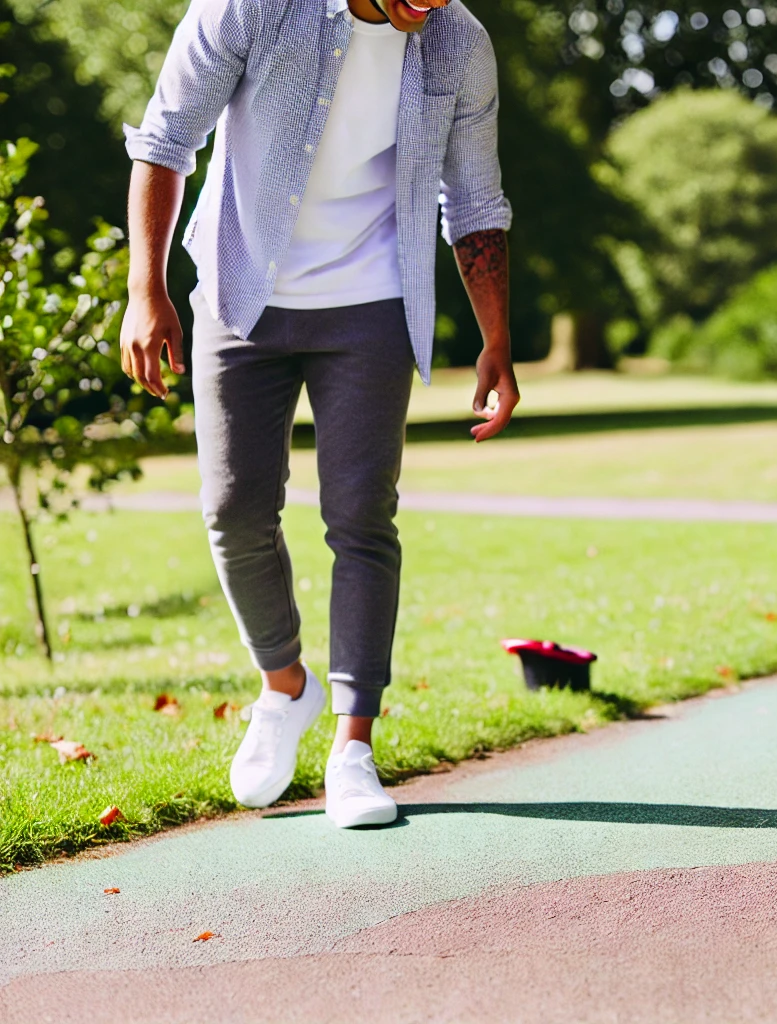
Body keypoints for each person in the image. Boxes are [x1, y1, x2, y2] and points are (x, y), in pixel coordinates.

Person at [118, 0, 519, 827]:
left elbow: (474, 196)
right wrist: (145, 291)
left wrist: (496, 339)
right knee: (233, 511)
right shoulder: (250, 7)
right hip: (241, 291)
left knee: (361, 516)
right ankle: (284, 686)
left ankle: (353, 749)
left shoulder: (459, 41)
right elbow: (165, 140)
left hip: (374, 300)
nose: (431, 2)